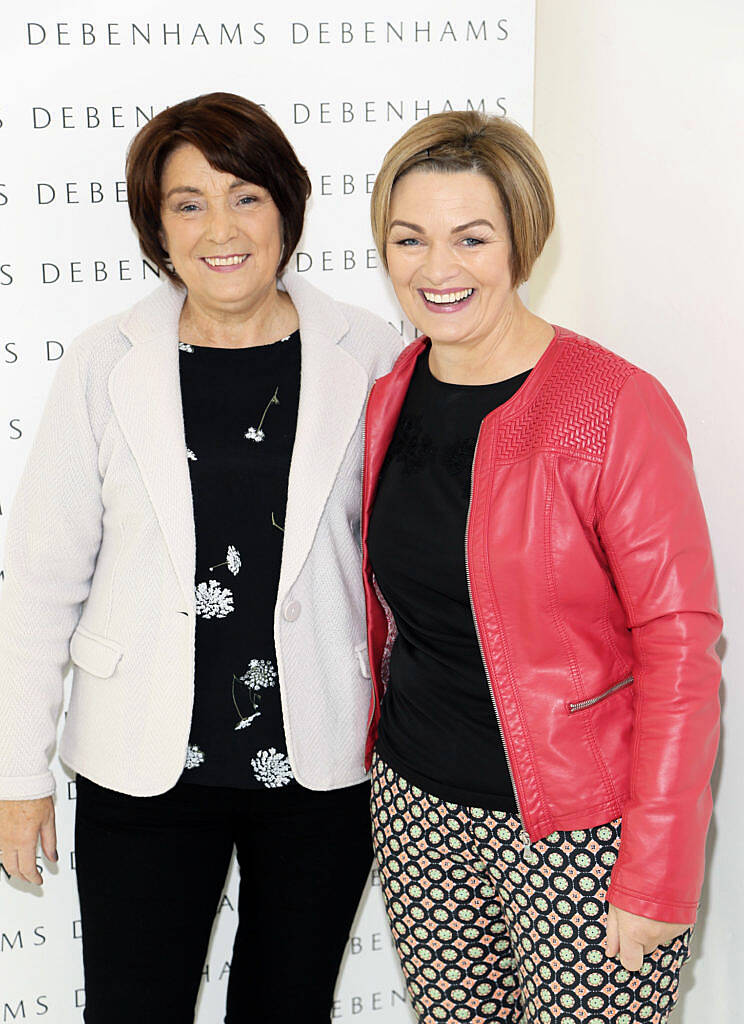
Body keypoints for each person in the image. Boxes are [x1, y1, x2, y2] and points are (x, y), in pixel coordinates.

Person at [0, 92, 401, 1024]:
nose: (220, 228)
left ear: (289, 208)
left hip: (316, 760)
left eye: (246, 196)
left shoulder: (374, 355)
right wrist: (19, 778)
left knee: (286, 1009)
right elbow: (41, 582)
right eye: (188, 204)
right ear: (157, 227)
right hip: (140, 759)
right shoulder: (106, 362)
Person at [361, 110, 721, 1024]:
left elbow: (681, 651)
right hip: (418, 812)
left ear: (523, 240)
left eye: (471, 238)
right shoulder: (390, 394)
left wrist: (657, 873)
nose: (437, 269)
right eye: (410, 239)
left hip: (580, 832)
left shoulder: (614, 407)